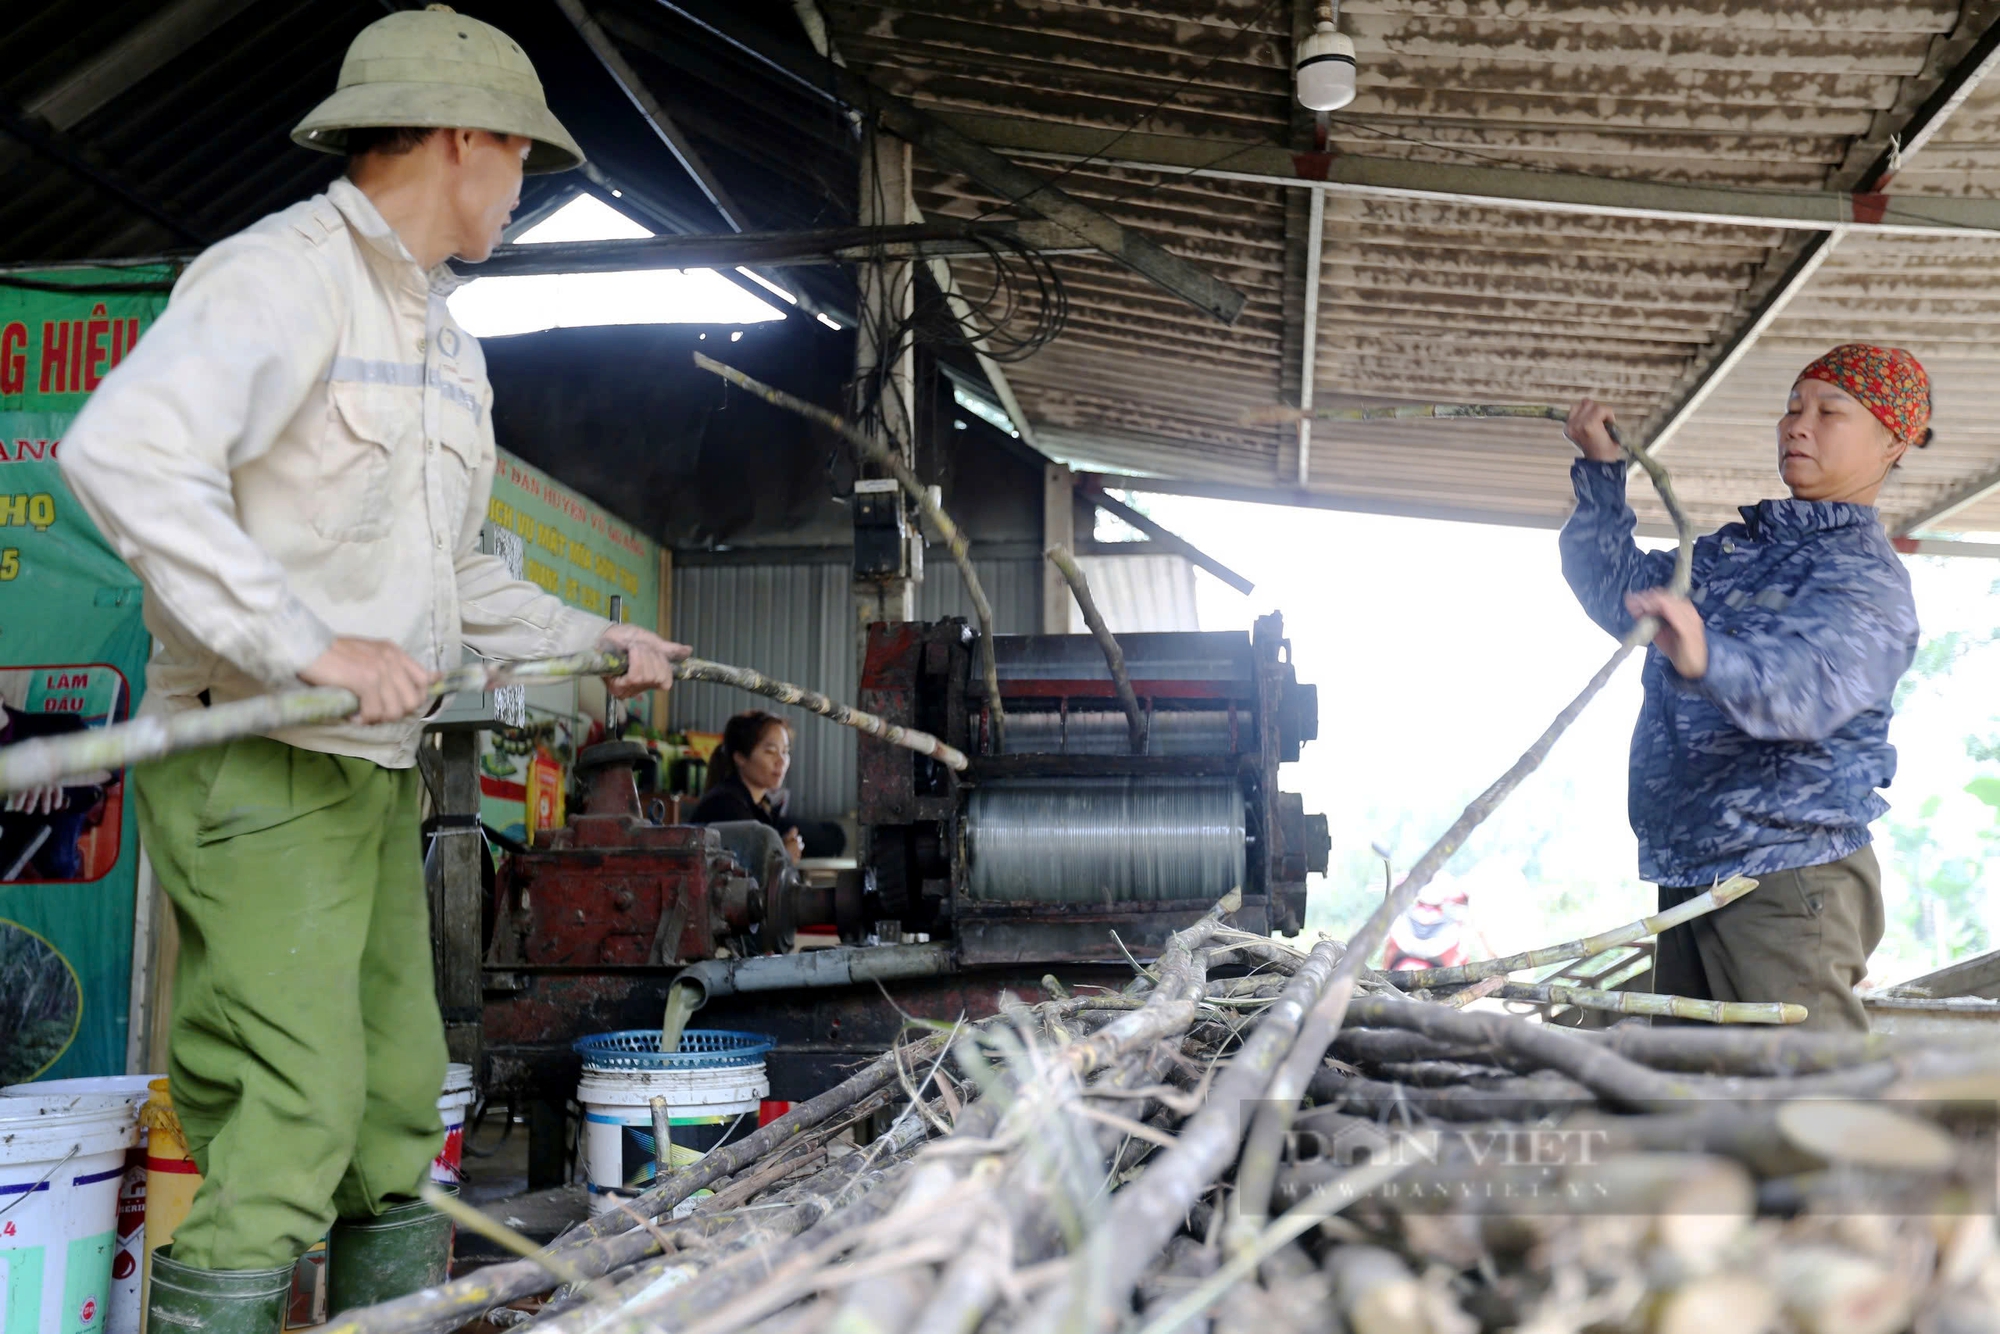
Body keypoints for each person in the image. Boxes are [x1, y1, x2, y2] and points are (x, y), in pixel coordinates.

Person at [56, 8, 688, 1327]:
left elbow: (452, 573)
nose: (523, 191)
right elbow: (122, 455)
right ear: (467, 140)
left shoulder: (449, 347)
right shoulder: (279, 276)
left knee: (399, 1096)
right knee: (294, 1113)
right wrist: (307, 643)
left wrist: (592, 642)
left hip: (369, 773)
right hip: (255, 754)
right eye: (523, 160)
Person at [1559, 343, 1926, 1033]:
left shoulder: (1866, 580)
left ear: (1892, 442)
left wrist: (1708, 656)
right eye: (1792, 407)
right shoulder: (1739, 551)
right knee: (1701, 1098)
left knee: (1798, 1104)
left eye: (1829, 411)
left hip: (1787, 875)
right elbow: (1616, 593)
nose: (1797, 424)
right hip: (1697, 868)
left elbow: (1808, 687)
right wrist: (1603, 476)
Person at [690, 711, 804, 863]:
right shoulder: (726, 805)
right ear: (740, 758)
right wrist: (785, 857)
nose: (782, 761)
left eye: (785, 751)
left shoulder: (761, 805)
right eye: (771, 751)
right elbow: (746, 873)